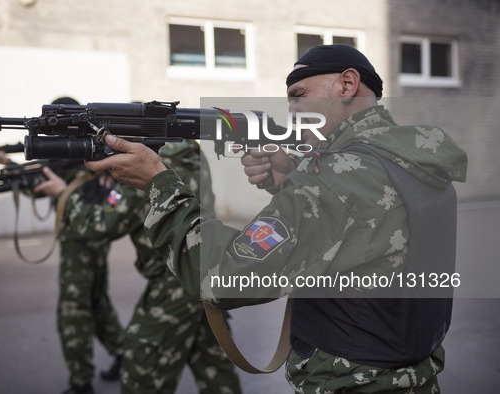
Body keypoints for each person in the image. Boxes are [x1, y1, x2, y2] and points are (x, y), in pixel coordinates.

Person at [85, 44, 468, 393]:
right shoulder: (411, 161)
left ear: (347, 84)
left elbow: (225, 278)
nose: (292, 112)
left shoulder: (334, 181)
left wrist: (158, 184)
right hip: (413, 379)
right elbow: (365, 227)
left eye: (298, 96)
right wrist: (292, 178)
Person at [37, 140, 242, 394]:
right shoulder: (191, 153)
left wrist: (62, 194)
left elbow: (96, 225)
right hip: (202, 270)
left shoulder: (143, 168)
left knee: (141, 374)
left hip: (174, 283)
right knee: (214, 369)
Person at [0, 96, 125, 394]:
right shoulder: (83, 154)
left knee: (73, 311)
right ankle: (125, 356)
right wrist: (9, 164)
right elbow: (43, 182)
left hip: (81, 243)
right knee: (98, 305)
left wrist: (15, 168)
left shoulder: (80, 156)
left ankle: (81, 382)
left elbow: (55, 187)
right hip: (94, 239)